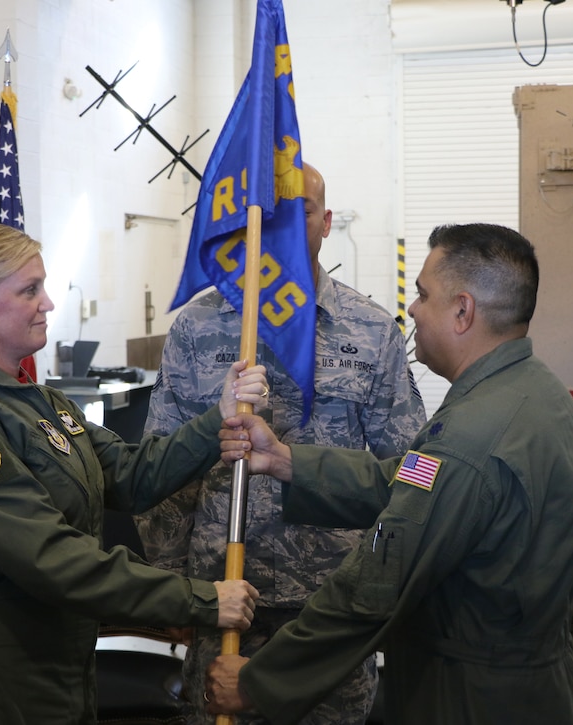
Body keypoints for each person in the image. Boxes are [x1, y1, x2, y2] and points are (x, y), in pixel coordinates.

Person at [208, 223, 573, 724]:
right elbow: (407, 485)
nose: (412, 309)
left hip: (469, 698)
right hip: (531, 688)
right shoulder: (533, 392)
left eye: (423, 294)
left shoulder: (471, 437)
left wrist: (258, 682)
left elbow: (375, 586)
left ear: (463, 311)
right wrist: (286, 461)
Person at [0, 223, 266, 725]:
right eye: (29, 290)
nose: (47, 303)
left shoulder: (41, 403)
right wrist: (200, 600)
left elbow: (132, 475)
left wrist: (217, 420)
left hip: (65, 660)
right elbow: (52, 559)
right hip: (1, 674)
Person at [133, 162, 426, 724]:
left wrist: (383, 590)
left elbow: (407, 470)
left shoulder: (371, 331)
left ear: (326, 223)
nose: (284, 227)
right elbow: (162, 467)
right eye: (269, 215)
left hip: (330, 609)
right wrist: (173, 590)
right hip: (221, 596)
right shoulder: (198, 328)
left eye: (302, 211)